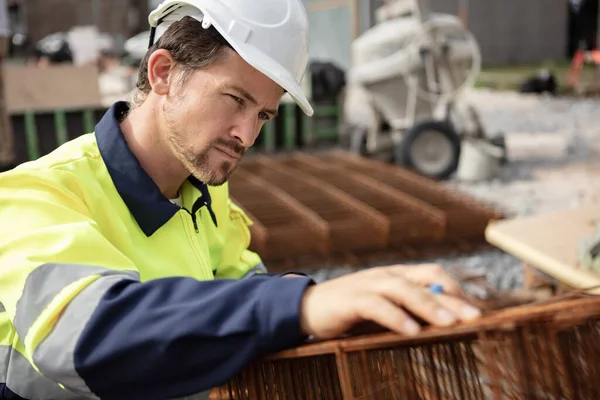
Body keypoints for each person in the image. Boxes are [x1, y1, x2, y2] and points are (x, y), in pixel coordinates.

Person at [0, 0, 481, 399]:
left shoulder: (203, 194)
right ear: (164, 72)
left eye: (264, 115)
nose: (246, 135)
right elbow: (91, 336)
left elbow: (243, 289)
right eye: (234, 100)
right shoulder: (35, 197)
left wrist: (338, 310)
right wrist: (297, 306)